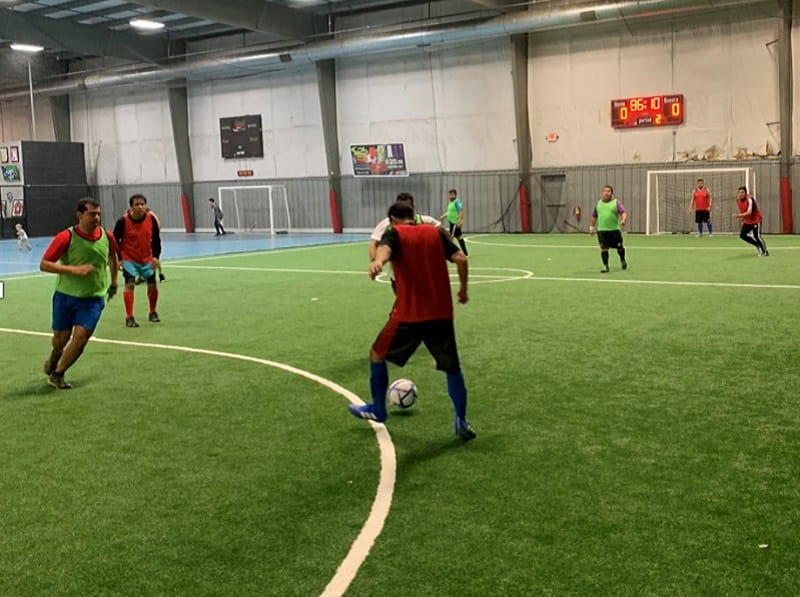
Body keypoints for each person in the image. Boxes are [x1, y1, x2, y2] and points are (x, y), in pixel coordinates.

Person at [349, 201, 476, 441]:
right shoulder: (435, 231)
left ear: (392, 220)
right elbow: (461, 259)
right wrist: (463, 290)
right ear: (412, 216)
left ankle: (378, 408)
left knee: (376, 354)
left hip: (408, 314)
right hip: (440, 313)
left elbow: (385, 249)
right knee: (452, 367)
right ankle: (461, 420)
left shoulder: (394, 232)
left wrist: (379, 261)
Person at [40, 198, 119, 389]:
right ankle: (55, 355)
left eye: (98, 213)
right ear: (80, 215)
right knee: (61, 339)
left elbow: (112, 258)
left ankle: (58, 374)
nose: (97, 218)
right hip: (65, 297)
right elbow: (44, 264)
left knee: (81, 337)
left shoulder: (107, 236)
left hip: (93, 298)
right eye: (92, 214)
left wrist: (114, 282)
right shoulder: (65, 237)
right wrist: (74, 270)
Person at [114, 194, 162, 327]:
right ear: (131, 207)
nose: (140, 207)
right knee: (130, 285)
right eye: (137, 204)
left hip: (147, 258)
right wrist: (119, 259)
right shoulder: (122, 222)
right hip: (129, 258)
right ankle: (129, 317)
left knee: (152, 285)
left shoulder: (151, 219)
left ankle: (153, 312)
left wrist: (156, 257)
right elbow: (115, 241)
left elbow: (156, 240)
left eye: (142, 204)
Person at [368, 192, 441, 261]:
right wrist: (375, 261)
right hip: (399, 268)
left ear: (412, 207)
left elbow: (443, 233)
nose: (404, 210)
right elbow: (374, 243)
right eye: (401, 207)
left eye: (407, 207)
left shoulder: (426, 221)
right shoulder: (386, 223)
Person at [589, 185, 628, 273]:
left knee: (620, 248)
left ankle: (622, 260)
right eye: (604, 191)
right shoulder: (598, 204)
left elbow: (623, 212)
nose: (606, 193)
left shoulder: (616, 203)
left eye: (608, 191)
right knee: (604, 248)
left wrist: (623, 219)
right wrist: (591, 228)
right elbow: (594, 216)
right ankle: (605, 266)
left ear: (612, 193)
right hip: (602, 231)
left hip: (614, 231)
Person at [734, 186, 768, 256]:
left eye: (742, 192)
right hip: (747, 221)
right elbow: (741, 209)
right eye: (739, 193)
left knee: (757, 236)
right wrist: (742, 218)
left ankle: (764, 251)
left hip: (755, 220)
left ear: (746, 193)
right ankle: (756, 245)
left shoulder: (750, 200)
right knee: (742, 235)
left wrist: (739, 215)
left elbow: (749, 212)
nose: (741, 194)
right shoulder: (738, 200)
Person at [439, 188, 468, 256]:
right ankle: (465, 253)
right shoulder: (450, 202)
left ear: (455, 195)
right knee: (459, 238)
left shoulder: (457, 202)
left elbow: (460, 211)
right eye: (450, 194)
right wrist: (443, 216)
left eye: (452, 195)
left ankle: (450, 253)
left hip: (455, 223)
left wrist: (460, 221)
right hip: (452, 223)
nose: (451, 196)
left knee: (450, 237)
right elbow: (449, 212)